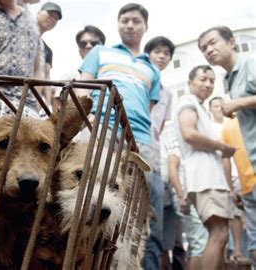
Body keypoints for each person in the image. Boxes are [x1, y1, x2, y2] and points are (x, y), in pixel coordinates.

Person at [78, 3, 162, 269]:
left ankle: (126, 264)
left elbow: (147, 108)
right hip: (101, 127)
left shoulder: (153, 70)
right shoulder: (100, 52)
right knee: (89, 195)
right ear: (117, 24)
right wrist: (85, 118)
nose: (129, 25)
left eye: (135, 21)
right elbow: (83, 86)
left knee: (137, 206)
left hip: (140, 140)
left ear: (145, 26)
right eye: (124, 20)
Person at [175, 65, 236, 270]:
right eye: (203, 79)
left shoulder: (199, 107)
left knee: (220, 235)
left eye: (212, 80)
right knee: (218, 233)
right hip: (204, 178)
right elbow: (189, 134)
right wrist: (222, 147)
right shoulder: (188, 102)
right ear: (190, 82)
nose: (208, 84)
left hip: (209, 178)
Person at [144, 36, 185, 269]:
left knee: (155, 228)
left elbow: (157, 130)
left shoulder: (167, 94)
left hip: (154, 161)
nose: (162, 56)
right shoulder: (138, 80)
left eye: (166, 54)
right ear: (147, 54)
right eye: (157, 51)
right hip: (129, 154)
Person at [198, 26, 256, 173]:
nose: (209, 50)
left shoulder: (250, 64)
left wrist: (237, 103)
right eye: (204, 48)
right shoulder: (227, 79)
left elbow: (240, 103)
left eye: (213, 43)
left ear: (231, 43)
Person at [209, 96, 251, 265]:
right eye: (215, 106)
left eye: (221, 105)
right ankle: (233, 252)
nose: (219, 108)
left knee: (245, 216)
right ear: (210, 109)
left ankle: (241, 251)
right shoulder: (211, 128)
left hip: (243, 173)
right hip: (224, 177)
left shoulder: (236, 122)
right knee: (231, 215)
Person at [166, 137, 209, 270]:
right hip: (184, 197)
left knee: (195, 244)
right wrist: (181, 196)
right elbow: (172, 170)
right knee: (200, 243)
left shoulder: (189, 147)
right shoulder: (176, 143)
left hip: (191, 197)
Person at [221, 116, 256, 266]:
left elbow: (226, 160)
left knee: (254, 238)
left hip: (246, 185)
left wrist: (230, 188)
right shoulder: (252, 117)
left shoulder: (228, 127)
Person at [54, 25, 105, 110]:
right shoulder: (70, 76)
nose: (88, 46)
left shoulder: (112, 75)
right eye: (83, 44)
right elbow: (58, 107)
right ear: (79, 50)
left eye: (94, 44)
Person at [36, 2, 61, 106]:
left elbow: (46, 77)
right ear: (39, 12)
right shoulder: (18, 31)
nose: (52, 19)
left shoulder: (47, 50)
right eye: (50, 14)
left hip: (32, 99)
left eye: (56, 18)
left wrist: (46, 104)